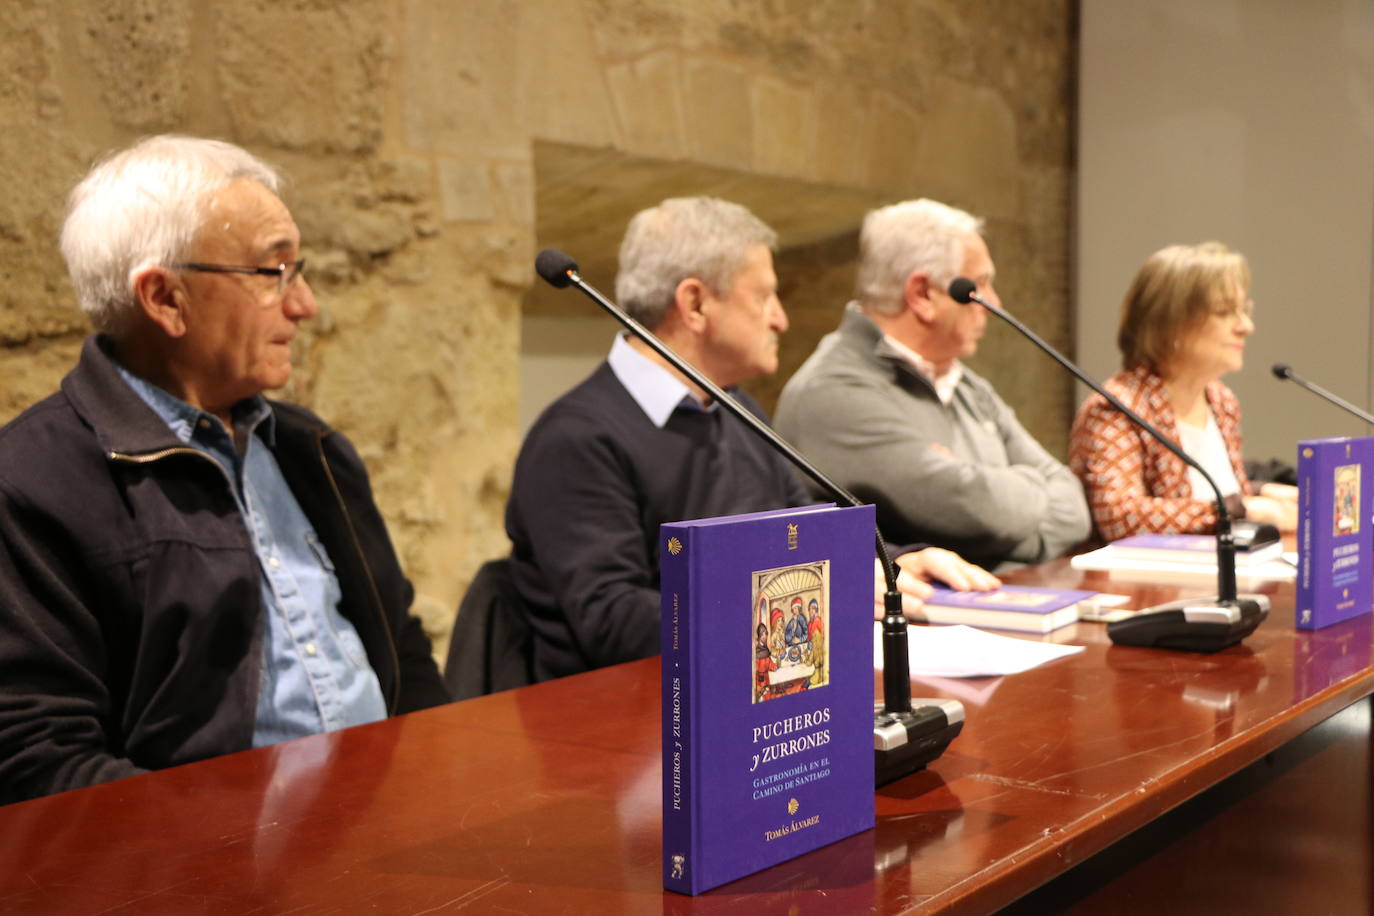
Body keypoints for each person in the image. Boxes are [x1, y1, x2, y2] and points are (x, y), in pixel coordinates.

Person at [0, 136, 449, 804]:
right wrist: (234, 854)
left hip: (380, 833)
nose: (305, 306)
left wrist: (444, 786)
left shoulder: (313, 452)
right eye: (275, 274)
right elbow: (36, 756)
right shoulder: (34, 479)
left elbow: (401, 646)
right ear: (165, 299)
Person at [505, 196, 997, 682]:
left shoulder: (735, 410)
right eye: (763, 296)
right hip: (629, 725)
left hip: (756, 693)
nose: (780, 319)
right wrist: (811, 602)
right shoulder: (576, 440)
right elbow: (616, 624)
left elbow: (801, 535)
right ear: (695, 304)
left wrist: (893, 563)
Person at [775, 198, 1092, 571]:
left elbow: (1073, 509)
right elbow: (978, 510)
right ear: (923, 295)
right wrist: (1021, 491)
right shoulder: (833, 391)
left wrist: (997, 504)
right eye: (980, 285)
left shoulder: (969, 387)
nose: (995, 302)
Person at [1068, 242, 1297, 540]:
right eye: (1225, 312)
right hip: (1146, 581)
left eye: (1244, 310)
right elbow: (1119, 515)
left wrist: (1262, 492)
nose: (1245, 326)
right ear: (1171, 325)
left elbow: (1203, 496)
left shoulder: (1220, 400)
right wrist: (1241, 508)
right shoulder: (1118, 407)